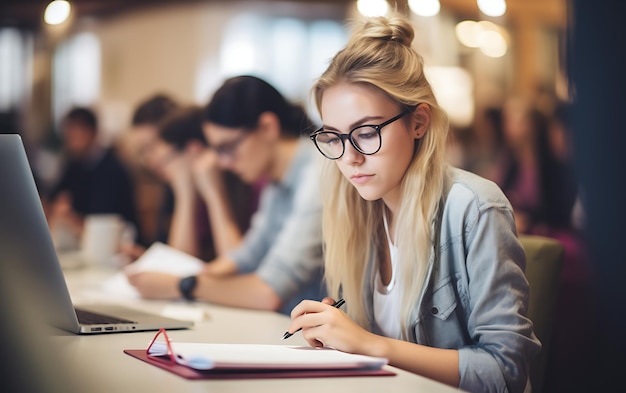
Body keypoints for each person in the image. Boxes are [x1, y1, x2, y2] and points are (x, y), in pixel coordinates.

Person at [285, 16, 541, 392]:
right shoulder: (357, 209)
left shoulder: (475, 209)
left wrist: (369, 345)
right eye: (335, 137)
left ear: (418, 122)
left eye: (367, 132)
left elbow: (505, 371)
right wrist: (336, 336)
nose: (350, 158)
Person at [127, 75, 325, 315]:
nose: (222, 162)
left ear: (267, 127)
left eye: (228, 147)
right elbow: (245, 257)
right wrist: (178, 277)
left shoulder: (317, 173)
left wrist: (182, 285)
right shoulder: (277, 180)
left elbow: (269, 292)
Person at [45, 106, 139, 249]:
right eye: (68, 135)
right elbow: (52, 199)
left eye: (76, 135)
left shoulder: (113, 169)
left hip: (119, 246)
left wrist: (68, 216)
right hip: (84, 243)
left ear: (93, 133)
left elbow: (101, 227)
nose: (71, 141)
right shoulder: (73, 163)